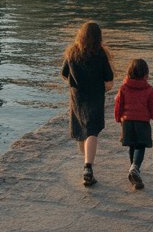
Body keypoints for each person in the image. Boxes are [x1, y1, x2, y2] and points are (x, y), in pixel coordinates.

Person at [61, 20, 114, 188]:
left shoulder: (71, 53)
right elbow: (109, 78)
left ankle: (87, 163)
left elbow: (64, 74)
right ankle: (88, 166)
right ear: (98, 37)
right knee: (92, 131)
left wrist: (74, 82)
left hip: (77, 98)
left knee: (81, 131)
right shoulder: (100, 54)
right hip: (95, 96)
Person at [113, 57, 153, 190]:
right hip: (142, 122)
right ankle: (135, 168)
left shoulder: (123, 88)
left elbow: (118, 105)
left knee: (132, 145)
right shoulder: (149, 89)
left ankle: (134, 172)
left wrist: (118, 118)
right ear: (146, 74)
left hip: (127, 122)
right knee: (140, 146)